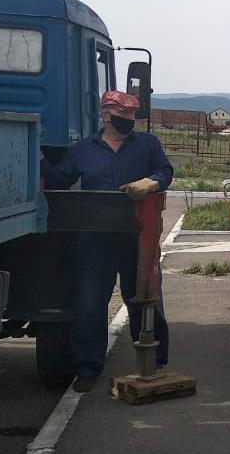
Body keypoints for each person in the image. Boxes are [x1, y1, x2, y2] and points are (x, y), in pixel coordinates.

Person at [41, 91, 174, 392]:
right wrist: (35, 155)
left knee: (145, 297)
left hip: (138, 237)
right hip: (95, 239)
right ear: (105, 115)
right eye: (122, 115)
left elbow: (165, 171)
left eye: (131, 116)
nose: (128, 121)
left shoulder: (147, 145)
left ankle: (157, 360)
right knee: (89, 302)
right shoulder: (83, 150)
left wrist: (152, 181)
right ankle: (88, 368)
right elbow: (60, 179)